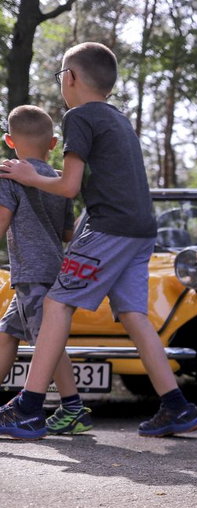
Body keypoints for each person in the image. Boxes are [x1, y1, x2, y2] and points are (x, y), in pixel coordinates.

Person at [0, 42, 197, 439]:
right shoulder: (119, 119)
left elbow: (69, 185)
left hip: (109, 228)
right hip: (141, 230)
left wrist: (29, 177)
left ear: (70, 78)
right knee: (133, 315)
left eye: (61, 76)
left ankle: (28, 407)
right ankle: (177, 405)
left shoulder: (79, 117)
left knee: (57, 303)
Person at [0, 105, 91, 437]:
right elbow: (68, 233)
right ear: (53, 144)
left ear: (10, 140)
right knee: (7, 333)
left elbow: (2, 221)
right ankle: (70, 408)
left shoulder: (10, 174)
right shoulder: (58, 180)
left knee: (47, 342)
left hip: (30, 272)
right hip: (52, 269)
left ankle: (72, 408)